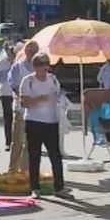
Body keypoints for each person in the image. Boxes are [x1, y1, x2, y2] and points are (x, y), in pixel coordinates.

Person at [18, 53, 70, 199]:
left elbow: (59, 95)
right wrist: (39, 99)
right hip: (34, 121)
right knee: (34, 156)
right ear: (35, 66)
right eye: (41, 65)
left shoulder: (53, 79)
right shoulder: (27, 81)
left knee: (56, 155)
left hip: (51, 121)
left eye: (46, 64)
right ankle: (35, 187)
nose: (45, 68)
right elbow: (24, 103)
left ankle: (59, 187)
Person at [5, 40, 39, 173]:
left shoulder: (39, 67)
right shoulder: (18, 66)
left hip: (35, 110)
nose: (31, 50)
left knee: (30, 143)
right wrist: (25, 97)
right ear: (25, 50)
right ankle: (12, 169)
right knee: (17, 141)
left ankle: (25, 169)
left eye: (34, 48)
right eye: (29, 48)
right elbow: (13, 85)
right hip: (20, 108)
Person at [0, 43, 17, 150]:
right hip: (6, 92)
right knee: (8, 118)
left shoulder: (19, 61)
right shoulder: (2, 62)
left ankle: (19, 141)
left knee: (19, 118)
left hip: (18, 93)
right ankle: (8, 142)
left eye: (13, 50)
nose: (11, 52)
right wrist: (12, 67)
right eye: (9, 50)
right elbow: (2, 78)